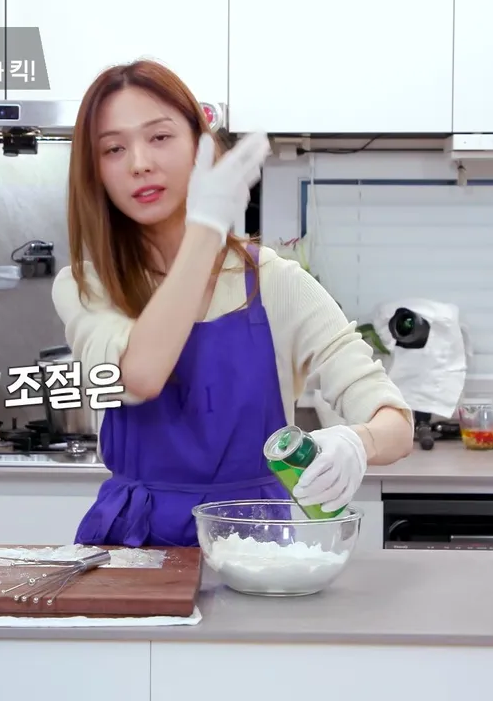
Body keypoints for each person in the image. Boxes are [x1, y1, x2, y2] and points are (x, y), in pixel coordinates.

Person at [52, 59, 415, 548]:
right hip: (131, 551)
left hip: (255, 548)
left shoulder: (275, 282)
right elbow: (138, 376)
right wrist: (206, 229)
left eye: (159, 137)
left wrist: (357, 442)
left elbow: (394, 423)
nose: (139, 162)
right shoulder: (87, 286)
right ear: (94, 171)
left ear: (201, 147)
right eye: (113, 148)